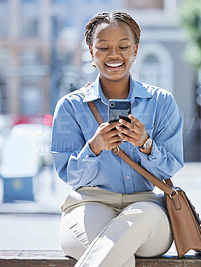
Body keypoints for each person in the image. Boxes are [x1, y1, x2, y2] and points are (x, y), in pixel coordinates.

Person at [51, 11, 184, 267]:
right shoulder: (70, 106)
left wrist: (146, 145)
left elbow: (171, 167)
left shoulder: (162, 102)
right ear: (91, 52)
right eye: (103, 47)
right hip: (89, 205)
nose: (114, 54)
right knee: (113, 250)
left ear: (135, 49)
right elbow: (70, 176)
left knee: (136, 222)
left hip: (147, 209)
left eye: (123, 46)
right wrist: (94, 147)